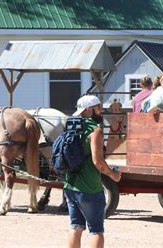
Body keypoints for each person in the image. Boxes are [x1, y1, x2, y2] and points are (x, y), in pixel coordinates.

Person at [65, 95, 122, 248]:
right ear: (89, 110)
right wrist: (113, 175)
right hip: (90, 188)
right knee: (96, 230)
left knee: (75, 227)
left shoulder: (70, 126)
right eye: (99, 108)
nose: (101, 111)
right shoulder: (94, 130)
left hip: (70, 185)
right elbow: (98, 162)